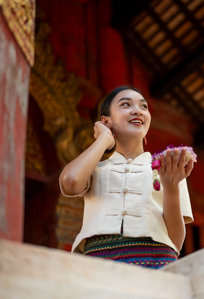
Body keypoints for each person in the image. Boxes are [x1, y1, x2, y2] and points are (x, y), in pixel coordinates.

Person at [59, 86, 195, 269]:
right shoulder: (95, 169)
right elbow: (70, 182)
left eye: (143, 107)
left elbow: (175, 243)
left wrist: (171, 187)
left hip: (155, 264)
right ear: (105, 121)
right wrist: (104, 139)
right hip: (98, 266)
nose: (137, 110)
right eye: (126, 104)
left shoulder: (169, 168)